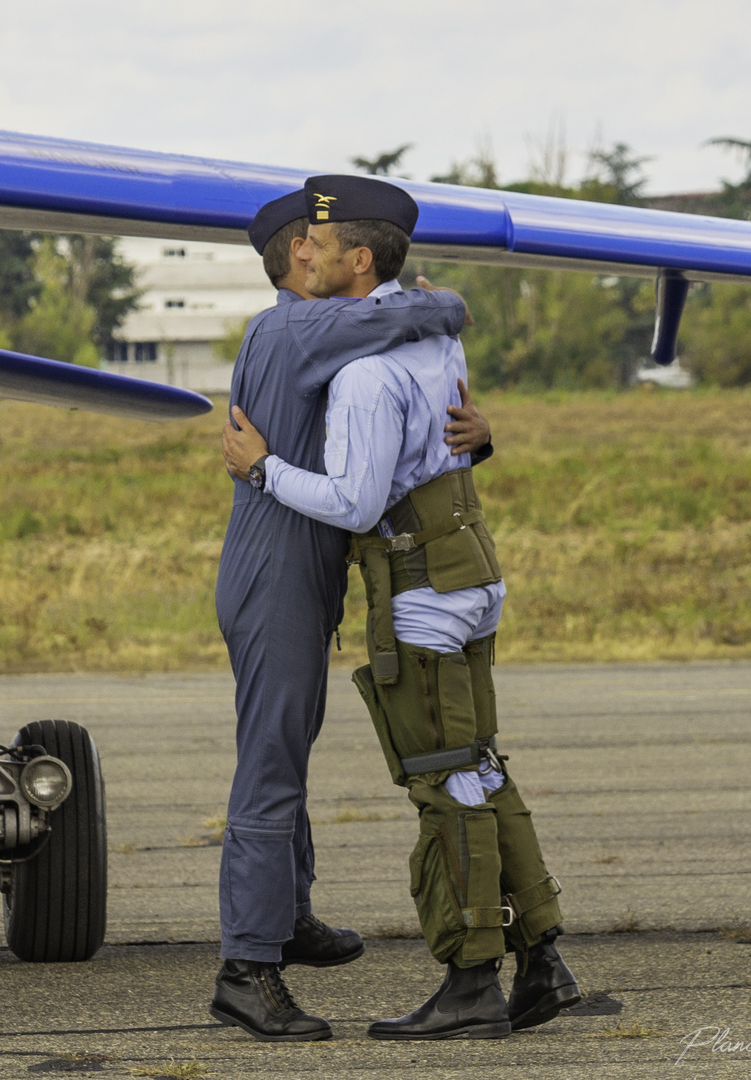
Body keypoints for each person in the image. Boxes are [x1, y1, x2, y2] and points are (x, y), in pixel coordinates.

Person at [222, 174, 581, 1042]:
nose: (311, 253)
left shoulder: (344, 339)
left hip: (333, 573)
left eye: (323, 240)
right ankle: (246, 966)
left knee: (305, 755)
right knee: (274, 767)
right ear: (296, 262)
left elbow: (412, 394)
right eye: (304, 245)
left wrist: (473, 437)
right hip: (278, 577)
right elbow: (402, 321)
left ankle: (288, 915)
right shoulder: (287, 327)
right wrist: (446, 305)